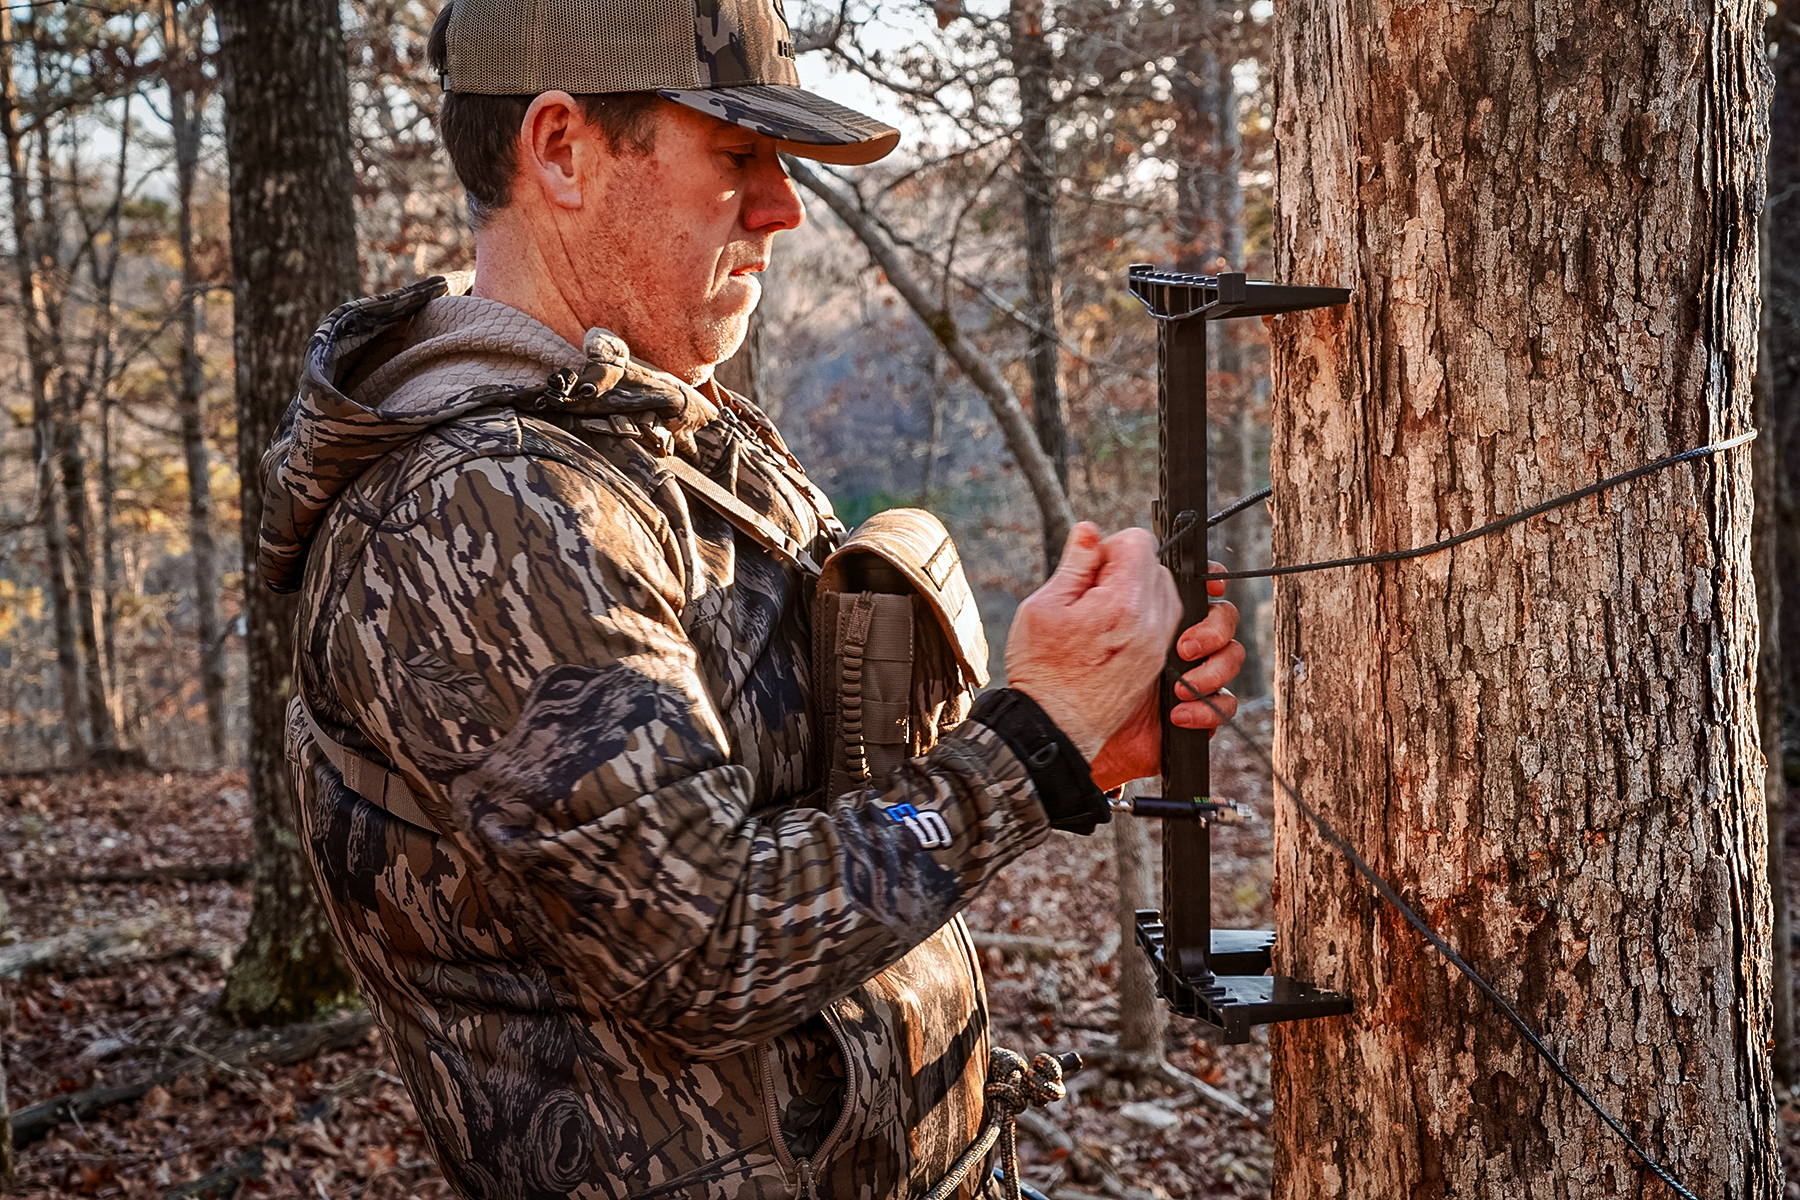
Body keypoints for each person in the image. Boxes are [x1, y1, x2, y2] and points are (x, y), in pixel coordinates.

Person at [256, 1, 1244, 1195]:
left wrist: (1083, 737)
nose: (783, 208)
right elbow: (707, 946)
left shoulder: (671, 435)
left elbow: (828, 815)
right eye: (738, 155)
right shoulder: (480, 504)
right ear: (560, 149)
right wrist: (1031, 745)